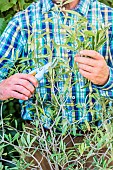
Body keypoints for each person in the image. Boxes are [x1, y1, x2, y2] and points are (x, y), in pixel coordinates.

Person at [0, 0, 113, 169]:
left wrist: (108, 78)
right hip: (40, 145)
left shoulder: (108, 18)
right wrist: (3, 88)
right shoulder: (23, 21)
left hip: (98, 144)